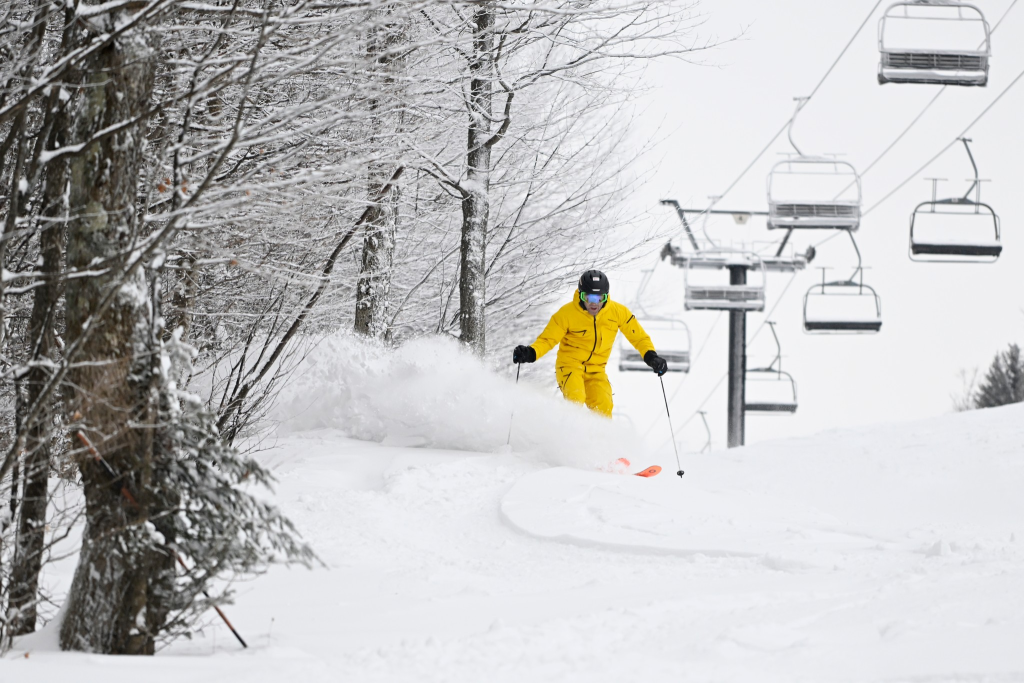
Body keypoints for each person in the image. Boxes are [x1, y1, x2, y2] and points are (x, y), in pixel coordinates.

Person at [512, 269, 669, 417]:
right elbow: (547, 339)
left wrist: (651, 356)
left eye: (600, 298)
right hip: (569, 366)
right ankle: (567, 437)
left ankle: (599, 442)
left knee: (604, 405)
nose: (594, 304)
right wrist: (531, 353)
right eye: (589, 298)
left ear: (606, 297)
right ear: (581, 296)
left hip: (596, 371)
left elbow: (639, 337)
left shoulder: (618, 313)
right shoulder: (566, 314)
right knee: (576, 398)